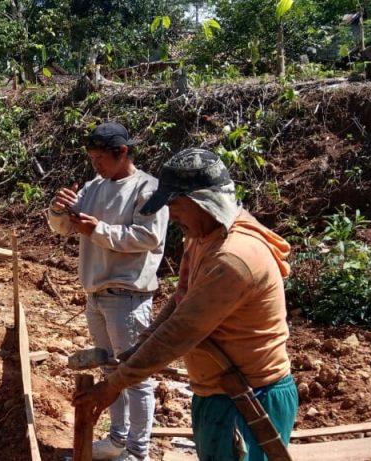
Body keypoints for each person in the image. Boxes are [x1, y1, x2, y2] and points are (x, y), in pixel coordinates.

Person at [74, 148, 296, 461]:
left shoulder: (234, 258)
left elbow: (181, 331)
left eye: (174, 205)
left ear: (201, 201)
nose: (171, 214)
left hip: (250, 397)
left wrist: (114, 384)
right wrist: (138, 347)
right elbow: (181, 300)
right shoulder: (202, 236)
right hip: (216, 393)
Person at [48, 122, 168, 461]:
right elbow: (61, 228)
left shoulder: (147, 189)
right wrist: (58, 210)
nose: (96, 165)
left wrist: (98, 230)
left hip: (128, 296)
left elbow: (148, 237)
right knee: (110, 373)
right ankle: (116, 441)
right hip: (97, 294)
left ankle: (137, 451)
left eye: (101, 158)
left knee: (136, 376)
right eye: (92, 158)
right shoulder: (94, 186)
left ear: (123, 152)